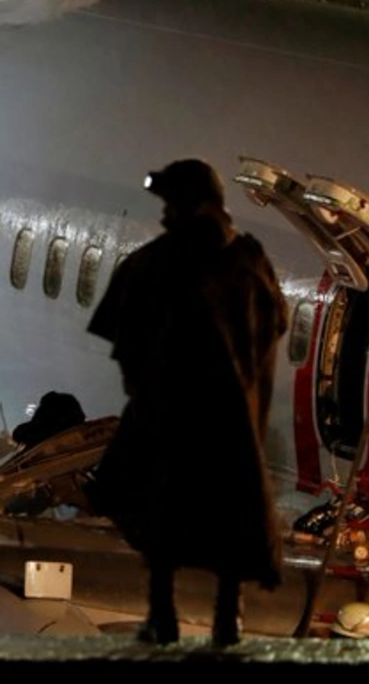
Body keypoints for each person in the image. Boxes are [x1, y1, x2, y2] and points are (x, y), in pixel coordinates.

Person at [84, 158, 288, 648]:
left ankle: (163, 615)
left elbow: (124, 334)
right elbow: (274, 323)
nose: (164, 214)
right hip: (227, 424)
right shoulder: (247, 262)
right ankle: (225, 618)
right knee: (228, 520)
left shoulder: (158, 263)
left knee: (160, 521)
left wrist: (148, 389)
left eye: (171, 204)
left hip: (169, 418)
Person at [11, 390, 87, 448]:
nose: (23, 444)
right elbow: (81, 417)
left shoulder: (41, 421)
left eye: (22, 442)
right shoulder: (68, 398)